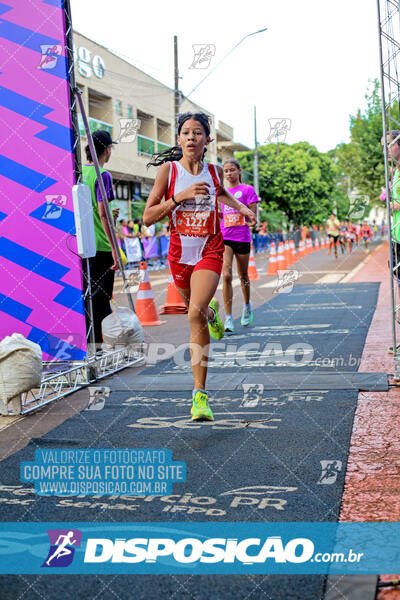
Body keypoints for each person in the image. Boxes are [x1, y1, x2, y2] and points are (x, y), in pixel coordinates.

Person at [143, 112, 256, 421]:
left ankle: (199, 396)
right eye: (185, 132)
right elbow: (148, 216)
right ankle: (211, 313)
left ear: (207, 140)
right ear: (179, 140)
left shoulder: (215, 171)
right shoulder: (168, 173)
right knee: (198, 310)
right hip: (180, 254)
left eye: (197, 132)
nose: (191, 137)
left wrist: (243, 208)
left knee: (193, 316)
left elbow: (220, 193)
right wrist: (179, 197)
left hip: (210, 249)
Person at [82, 130, 118, 352]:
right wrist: (115, 248)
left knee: (87, 296)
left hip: (83, 245)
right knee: (102, 299)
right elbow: (103, 213)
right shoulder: (102, 174)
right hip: (102, 245)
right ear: (106, 149)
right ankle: (98, 346)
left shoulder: (78, 172)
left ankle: (90, 344)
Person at [220, 159, 259, 333]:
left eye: (232, 170)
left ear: (239, 171)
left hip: (242, 237)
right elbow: (220, 213)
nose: (229, 173)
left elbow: (253, 214)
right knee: (226, 275)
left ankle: (247, 305)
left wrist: (250, 219)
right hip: (225, 237)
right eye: (226, 171)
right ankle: (228, 317)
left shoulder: (247, 190)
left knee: (243, 275)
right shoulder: (222, 192)